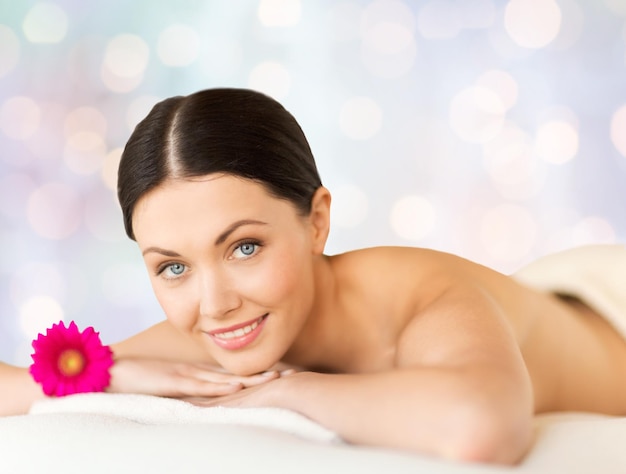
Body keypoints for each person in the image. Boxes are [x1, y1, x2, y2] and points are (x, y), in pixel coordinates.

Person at [2, 88, 626, 465]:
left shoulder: (420, 298)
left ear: (317, 221)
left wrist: (290, 391)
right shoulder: (210, 331)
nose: (214, 302)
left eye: (244, 247)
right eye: (173, 266)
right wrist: (112, 374)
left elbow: (479, 430)